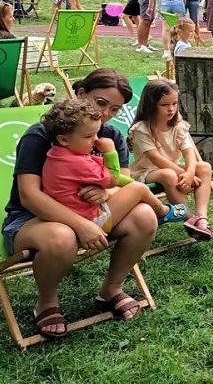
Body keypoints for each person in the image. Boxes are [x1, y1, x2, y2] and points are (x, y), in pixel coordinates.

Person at [3, 70, 157, 337]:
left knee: (144, 216)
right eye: (100, 103)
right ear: (81, 93)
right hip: (31, 220)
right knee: (62, 236)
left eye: (115, 109)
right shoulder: (39, 136)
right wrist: (80, 225)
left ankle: (111, 289)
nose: (107, 113)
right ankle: (47, 302)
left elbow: (123, 177)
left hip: (92, 212)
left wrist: (105, 194)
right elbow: (29, 195)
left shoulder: (108, 135)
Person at [40, 99, 186, 229]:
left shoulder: (56, 155)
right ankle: (162, 212)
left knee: (132, 185)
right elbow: (112, 179)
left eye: (96, 133)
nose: (96, 140)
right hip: (92, 219)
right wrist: (110, 152)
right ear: (64, 139)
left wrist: (127, 182)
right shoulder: (77, 163)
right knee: (139, 188)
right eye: (88, 136)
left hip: (68, 217)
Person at [127, 79, 213, 241]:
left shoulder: (178, 126)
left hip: (174, 168)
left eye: (174, 103)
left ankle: (201, 217)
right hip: (146, 172)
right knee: (168, 174)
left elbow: (189, 152)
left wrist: (189, 172)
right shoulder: (141, 129)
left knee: (204, 167)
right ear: (150, 105)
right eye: (165, 105)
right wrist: (185, 174)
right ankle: (189, 219)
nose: (171, 109)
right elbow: (156, 158)